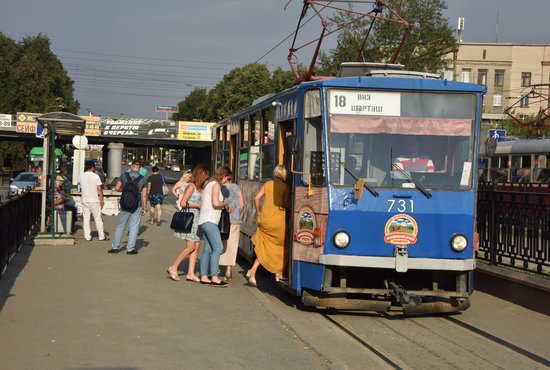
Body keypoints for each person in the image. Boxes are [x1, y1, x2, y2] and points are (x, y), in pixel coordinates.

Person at [246, 165, 289, 286]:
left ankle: (252, 271)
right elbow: (285, 204)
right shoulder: (286, 187)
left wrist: (259, 212)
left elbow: (256, 199)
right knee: (283, 246)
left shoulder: (268, 184)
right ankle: (278, 273)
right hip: (278, 221)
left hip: (265, 220)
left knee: (265, 247)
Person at [167, 164, 209, 282]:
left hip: (198, 219)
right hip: (190, 218)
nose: (206, 178)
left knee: (196, 246)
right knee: (190, 247)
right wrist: (197, 205)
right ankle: (173, 267)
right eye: (205, 175)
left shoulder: (201, 188)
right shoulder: (191, 186)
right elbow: (183, 203)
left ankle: (190, 273)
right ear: (200, 175)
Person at [198, 166, 232, 287]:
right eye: (227, 178)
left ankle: (203, 276)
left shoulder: (209, 184)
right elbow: (216, 203)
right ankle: (214, 277)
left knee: (207, 249)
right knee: (218, 248)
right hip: (210, 220)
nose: (226, 181)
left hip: (204, 220)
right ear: (223, 176)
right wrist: (225, 204)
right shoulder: (216, 185)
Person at [108, 161, 148, 255]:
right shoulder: (143, 179)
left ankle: (115, 248)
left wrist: (125, 190)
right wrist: (144, 207)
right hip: (136, 205)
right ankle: (130, 249)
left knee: (120, 227)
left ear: (131, 166)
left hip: (125, 204)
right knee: (134, 227)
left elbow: (117, 188)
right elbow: (144, 195)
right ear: (140, 168)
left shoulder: (124, 175)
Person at [218, 175, 245, 281]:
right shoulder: (237, 187)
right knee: (232, 244)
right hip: (235, 220)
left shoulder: (220, 188)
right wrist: (237, 214)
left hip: (222, 220)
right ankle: (228, 270)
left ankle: (218, 268)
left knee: (221, 243)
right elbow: (242, 205)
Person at [77, 161, 107, 241]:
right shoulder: (96, 176)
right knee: (97, 218)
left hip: (85, 200)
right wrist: (102, 199)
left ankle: (87, 236)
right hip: (94, 200)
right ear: (92, 167)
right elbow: (99, 189)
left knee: (86, 218)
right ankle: (101, 236)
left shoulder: (81, 176)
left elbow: (79, 186)